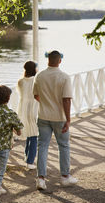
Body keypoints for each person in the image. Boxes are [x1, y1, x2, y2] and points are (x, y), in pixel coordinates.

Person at [33, 50, 78, 190]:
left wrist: (47, 103)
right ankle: (65, 177)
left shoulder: (39, 76)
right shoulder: (64, 77)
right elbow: (66, 100)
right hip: (59, 117)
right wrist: (68, 119)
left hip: (43, 116)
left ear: (48, 60)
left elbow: (36, 95)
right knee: (63, 146)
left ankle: (41, 179)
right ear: (60, 61)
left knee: (43, 146)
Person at [17, 61, 39, 170]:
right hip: (34, 109)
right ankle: (30, 161)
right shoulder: (36, 81)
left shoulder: (21, 81)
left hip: (23, 109)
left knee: (29, 135)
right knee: (34, 135)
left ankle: (27, 157)